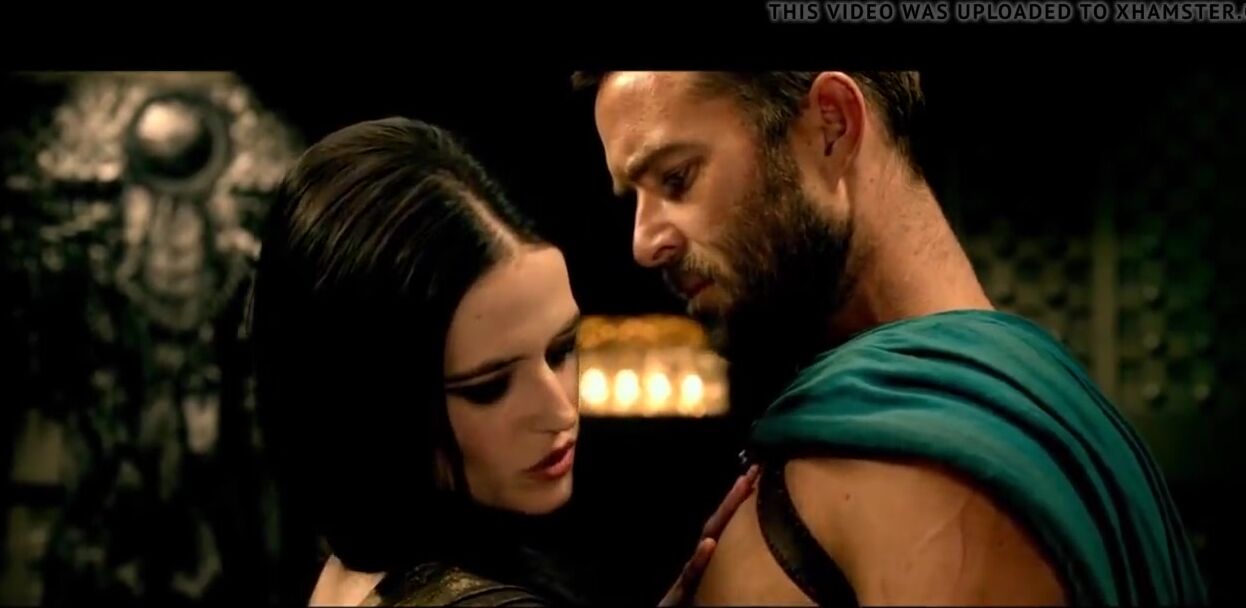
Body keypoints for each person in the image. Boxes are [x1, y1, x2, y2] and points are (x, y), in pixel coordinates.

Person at [575, 71, 1209, 606]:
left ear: (831, 125)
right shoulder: (1028, 410)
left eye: (677, 178)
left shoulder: (940, 465)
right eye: (634, 198)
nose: (643, 243)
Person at [248, 117, 755, 606]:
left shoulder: (351, 572)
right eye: (489, 387)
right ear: (373, 405)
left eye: (561, 351)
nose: (560, 411)